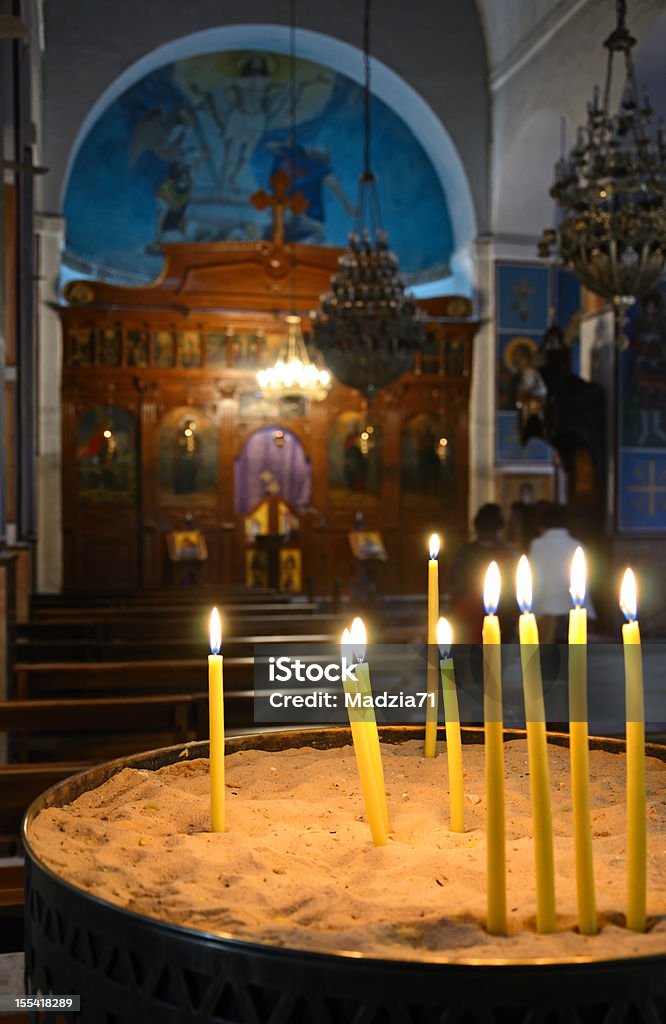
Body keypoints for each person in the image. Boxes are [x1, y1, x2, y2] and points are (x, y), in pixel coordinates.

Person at [448, 503, 516, 643]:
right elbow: (511, 589)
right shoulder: (506, 553)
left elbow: (454, 583)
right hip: (499, 613)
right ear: (499, 526)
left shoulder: (465, 552)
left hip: (467, 613)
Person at [528, 502, 595, 643]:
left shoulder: (538, 544)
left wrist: (532, 610)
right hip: (574, 607)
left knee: (544, 655)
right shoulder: (577, 544)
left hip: (546, 609)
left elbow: (536, 580)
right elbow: (584, 581)